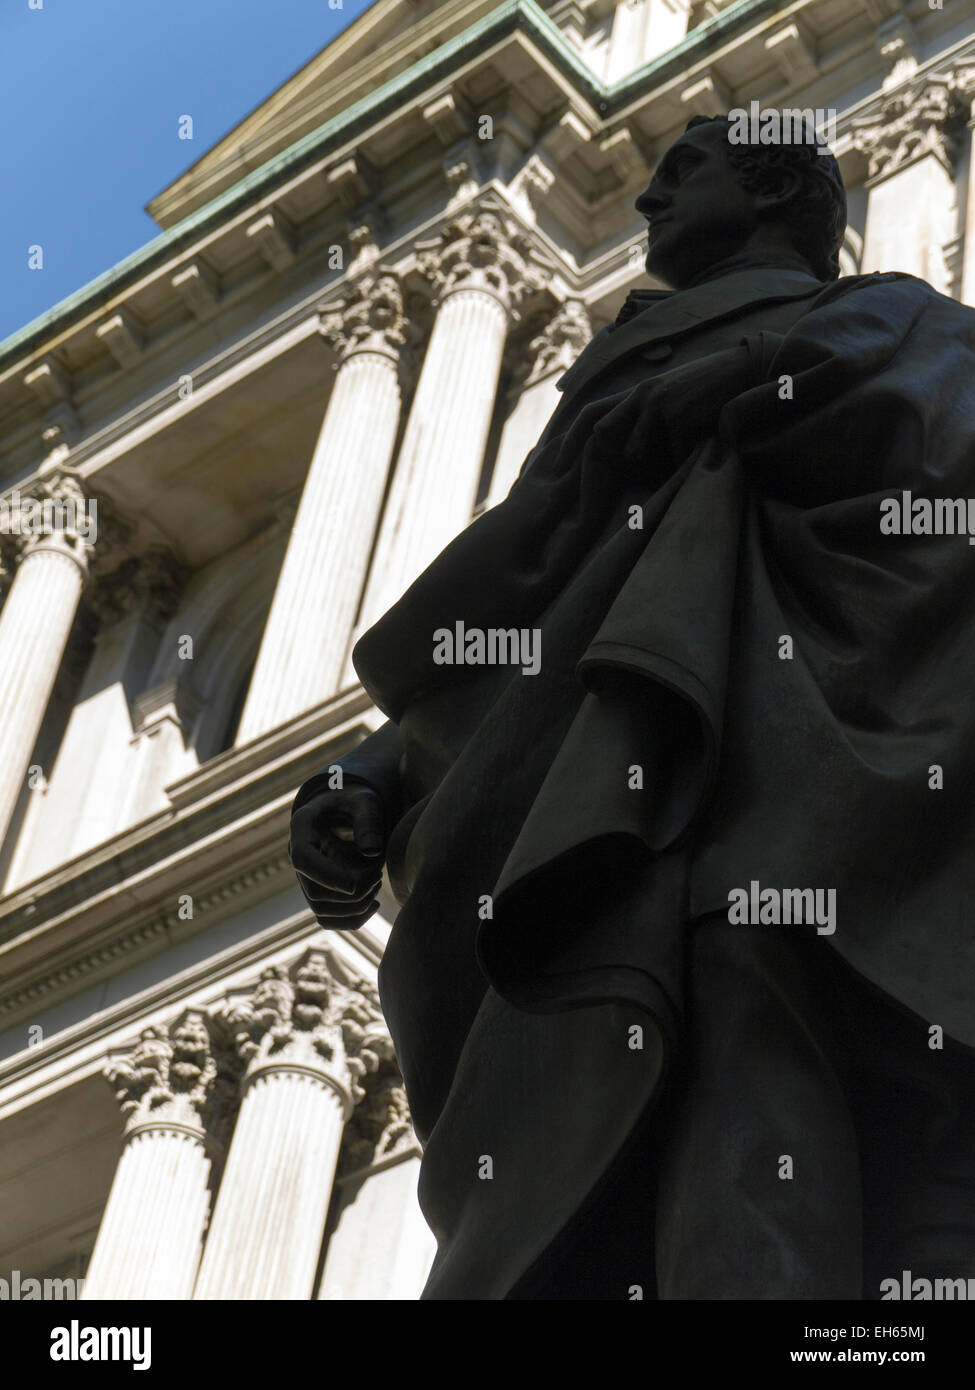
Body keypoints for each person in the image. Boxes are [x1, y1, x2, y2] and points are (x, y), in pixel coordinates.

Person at [289, 115, 975, 1299]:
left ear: (770, 192)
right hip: (583, 818)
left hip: (781, 783)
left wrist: (753, 392)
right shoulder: (617, 383)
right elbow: (543, 624)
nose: (649, 205)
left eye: (682, 175)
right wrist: (377, 767)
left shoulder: (897, 322)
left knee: (747, 1034)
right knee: (578, 1137)